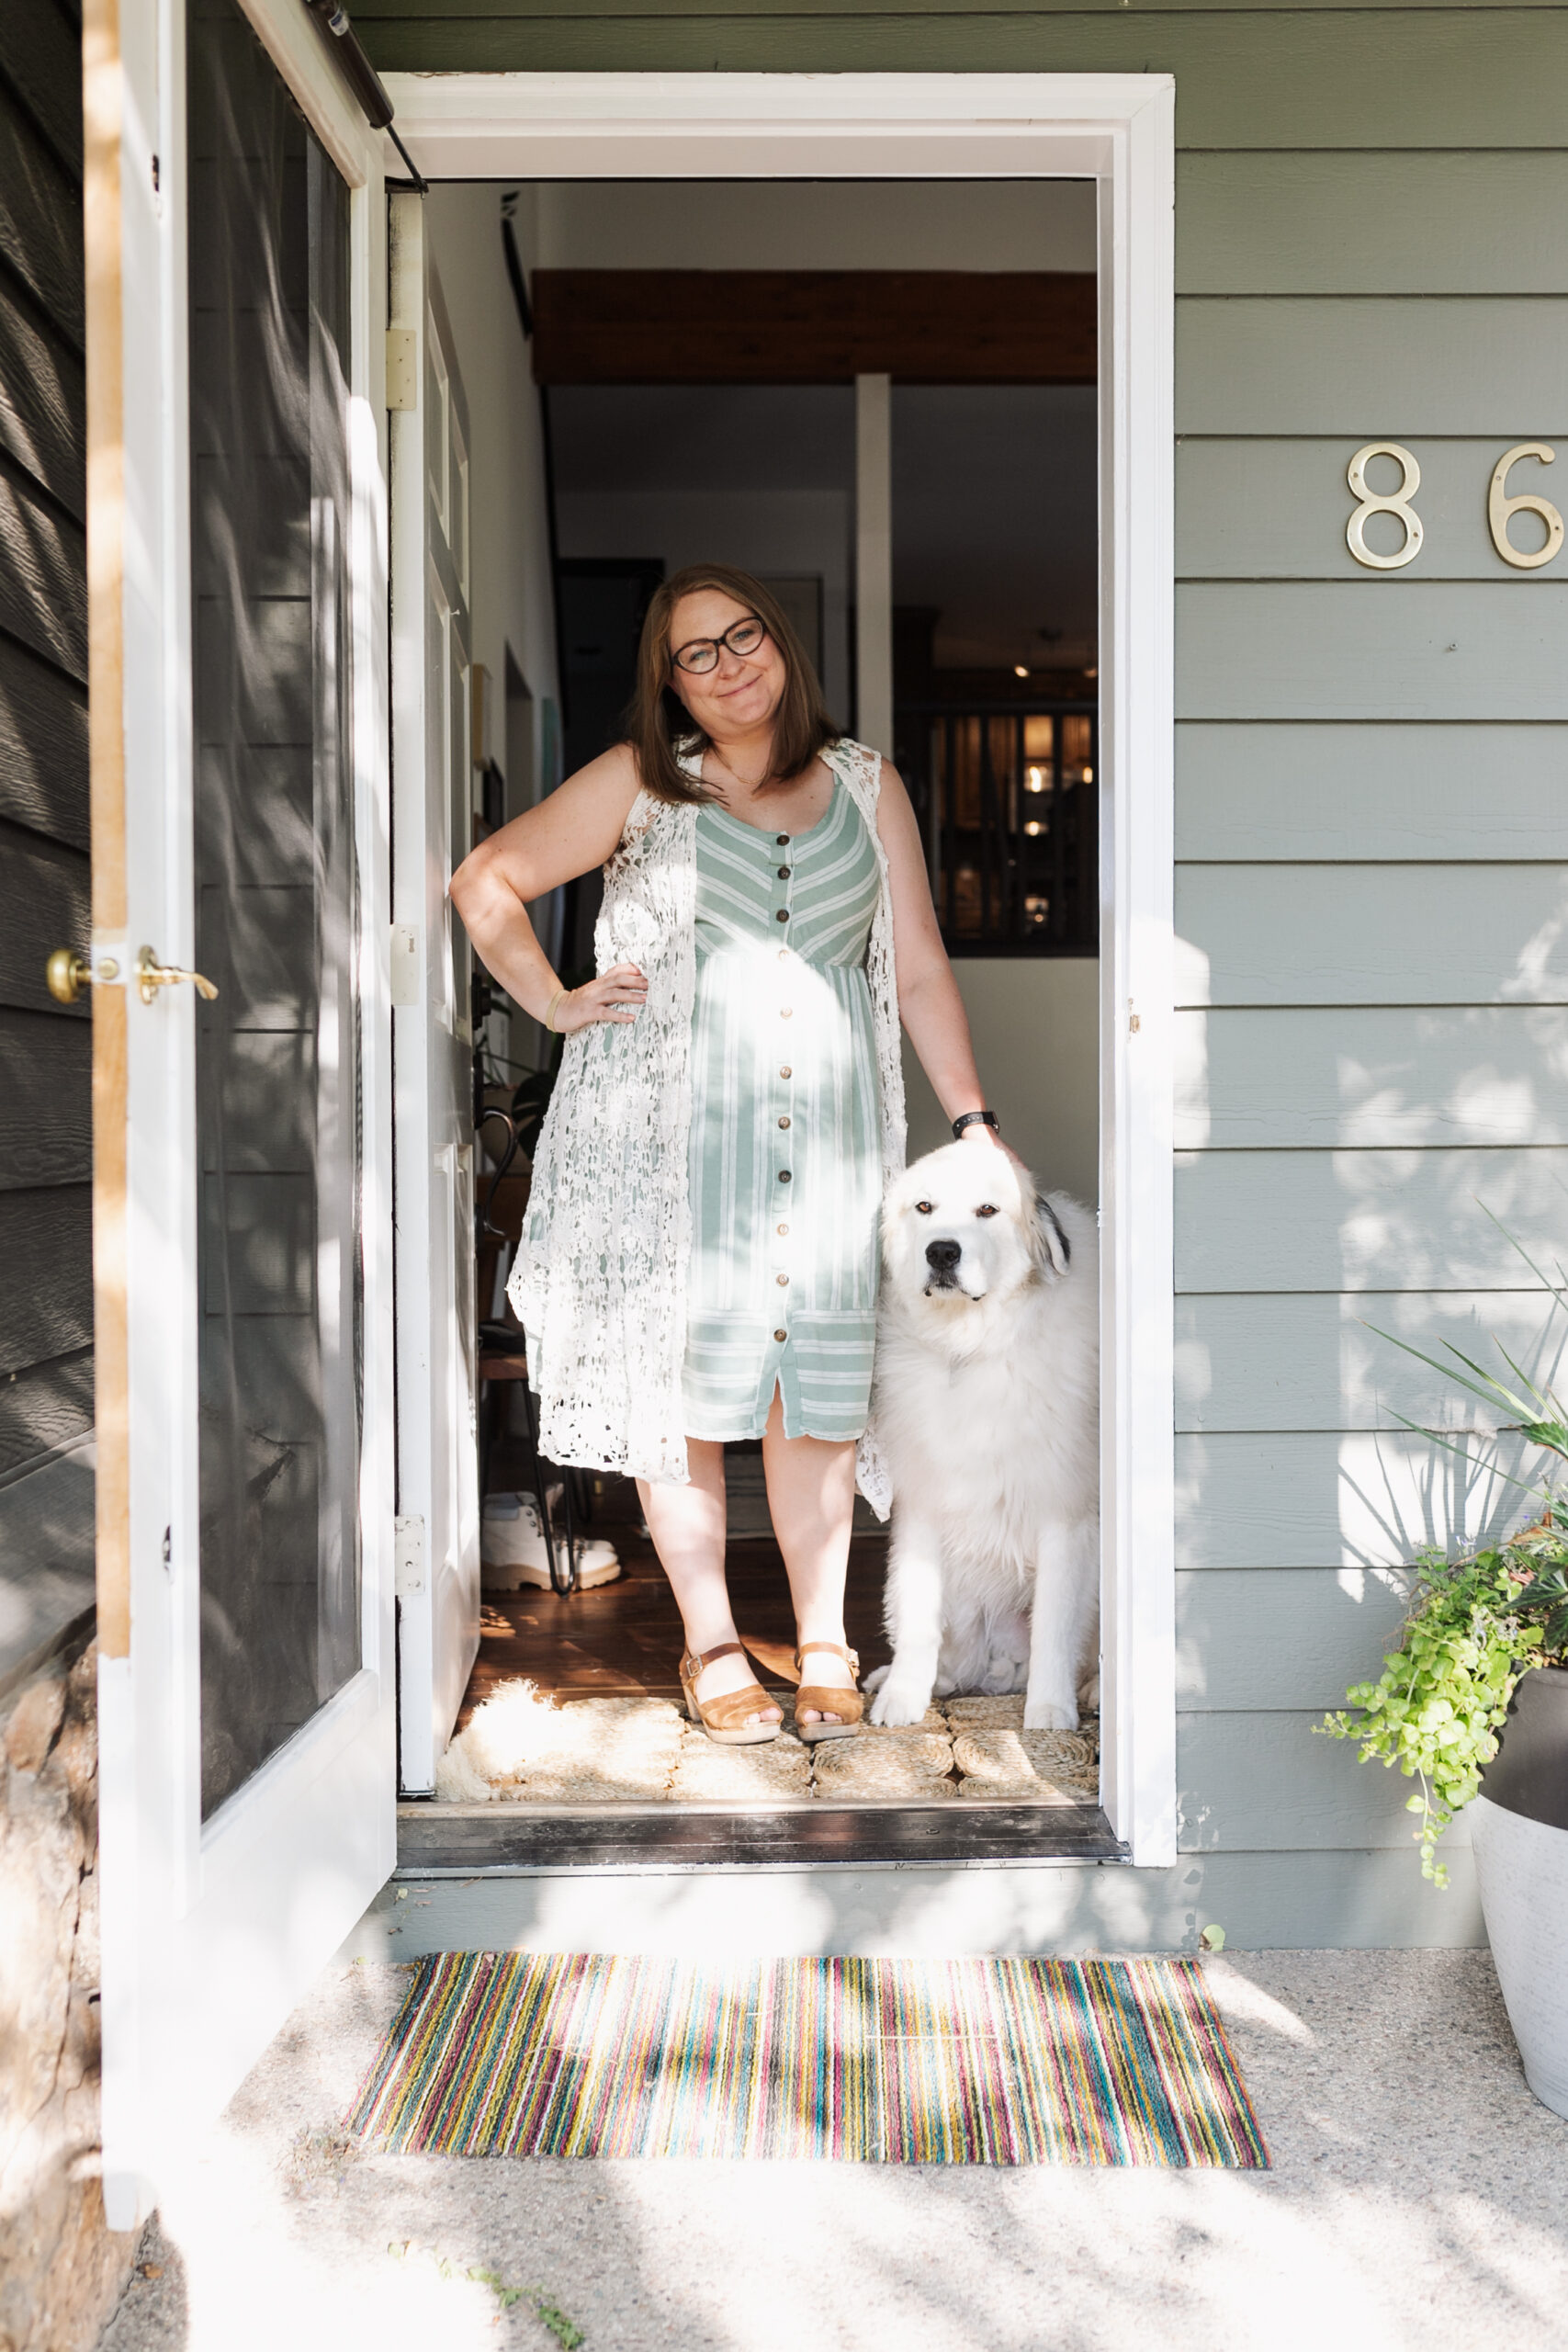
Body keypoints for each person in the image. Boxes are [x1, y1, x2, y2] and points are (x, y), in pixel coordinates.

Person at [451, 564, 1009, 1747]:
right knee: (682, 1402)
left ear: (780, 646)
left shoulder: (867, 783)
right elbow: (484, 883)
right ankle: (711, 1644)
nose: (726, 664)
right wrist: (553, 1005)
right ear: (670, 683)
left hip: (839, 1152)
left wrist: (972, 1121)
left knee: (814, 1406)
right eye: (695, 653)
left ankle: (823, 1643)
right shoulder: (642, 786)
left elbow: (914, 965)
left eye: (741, 636)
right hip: (675, 1164)